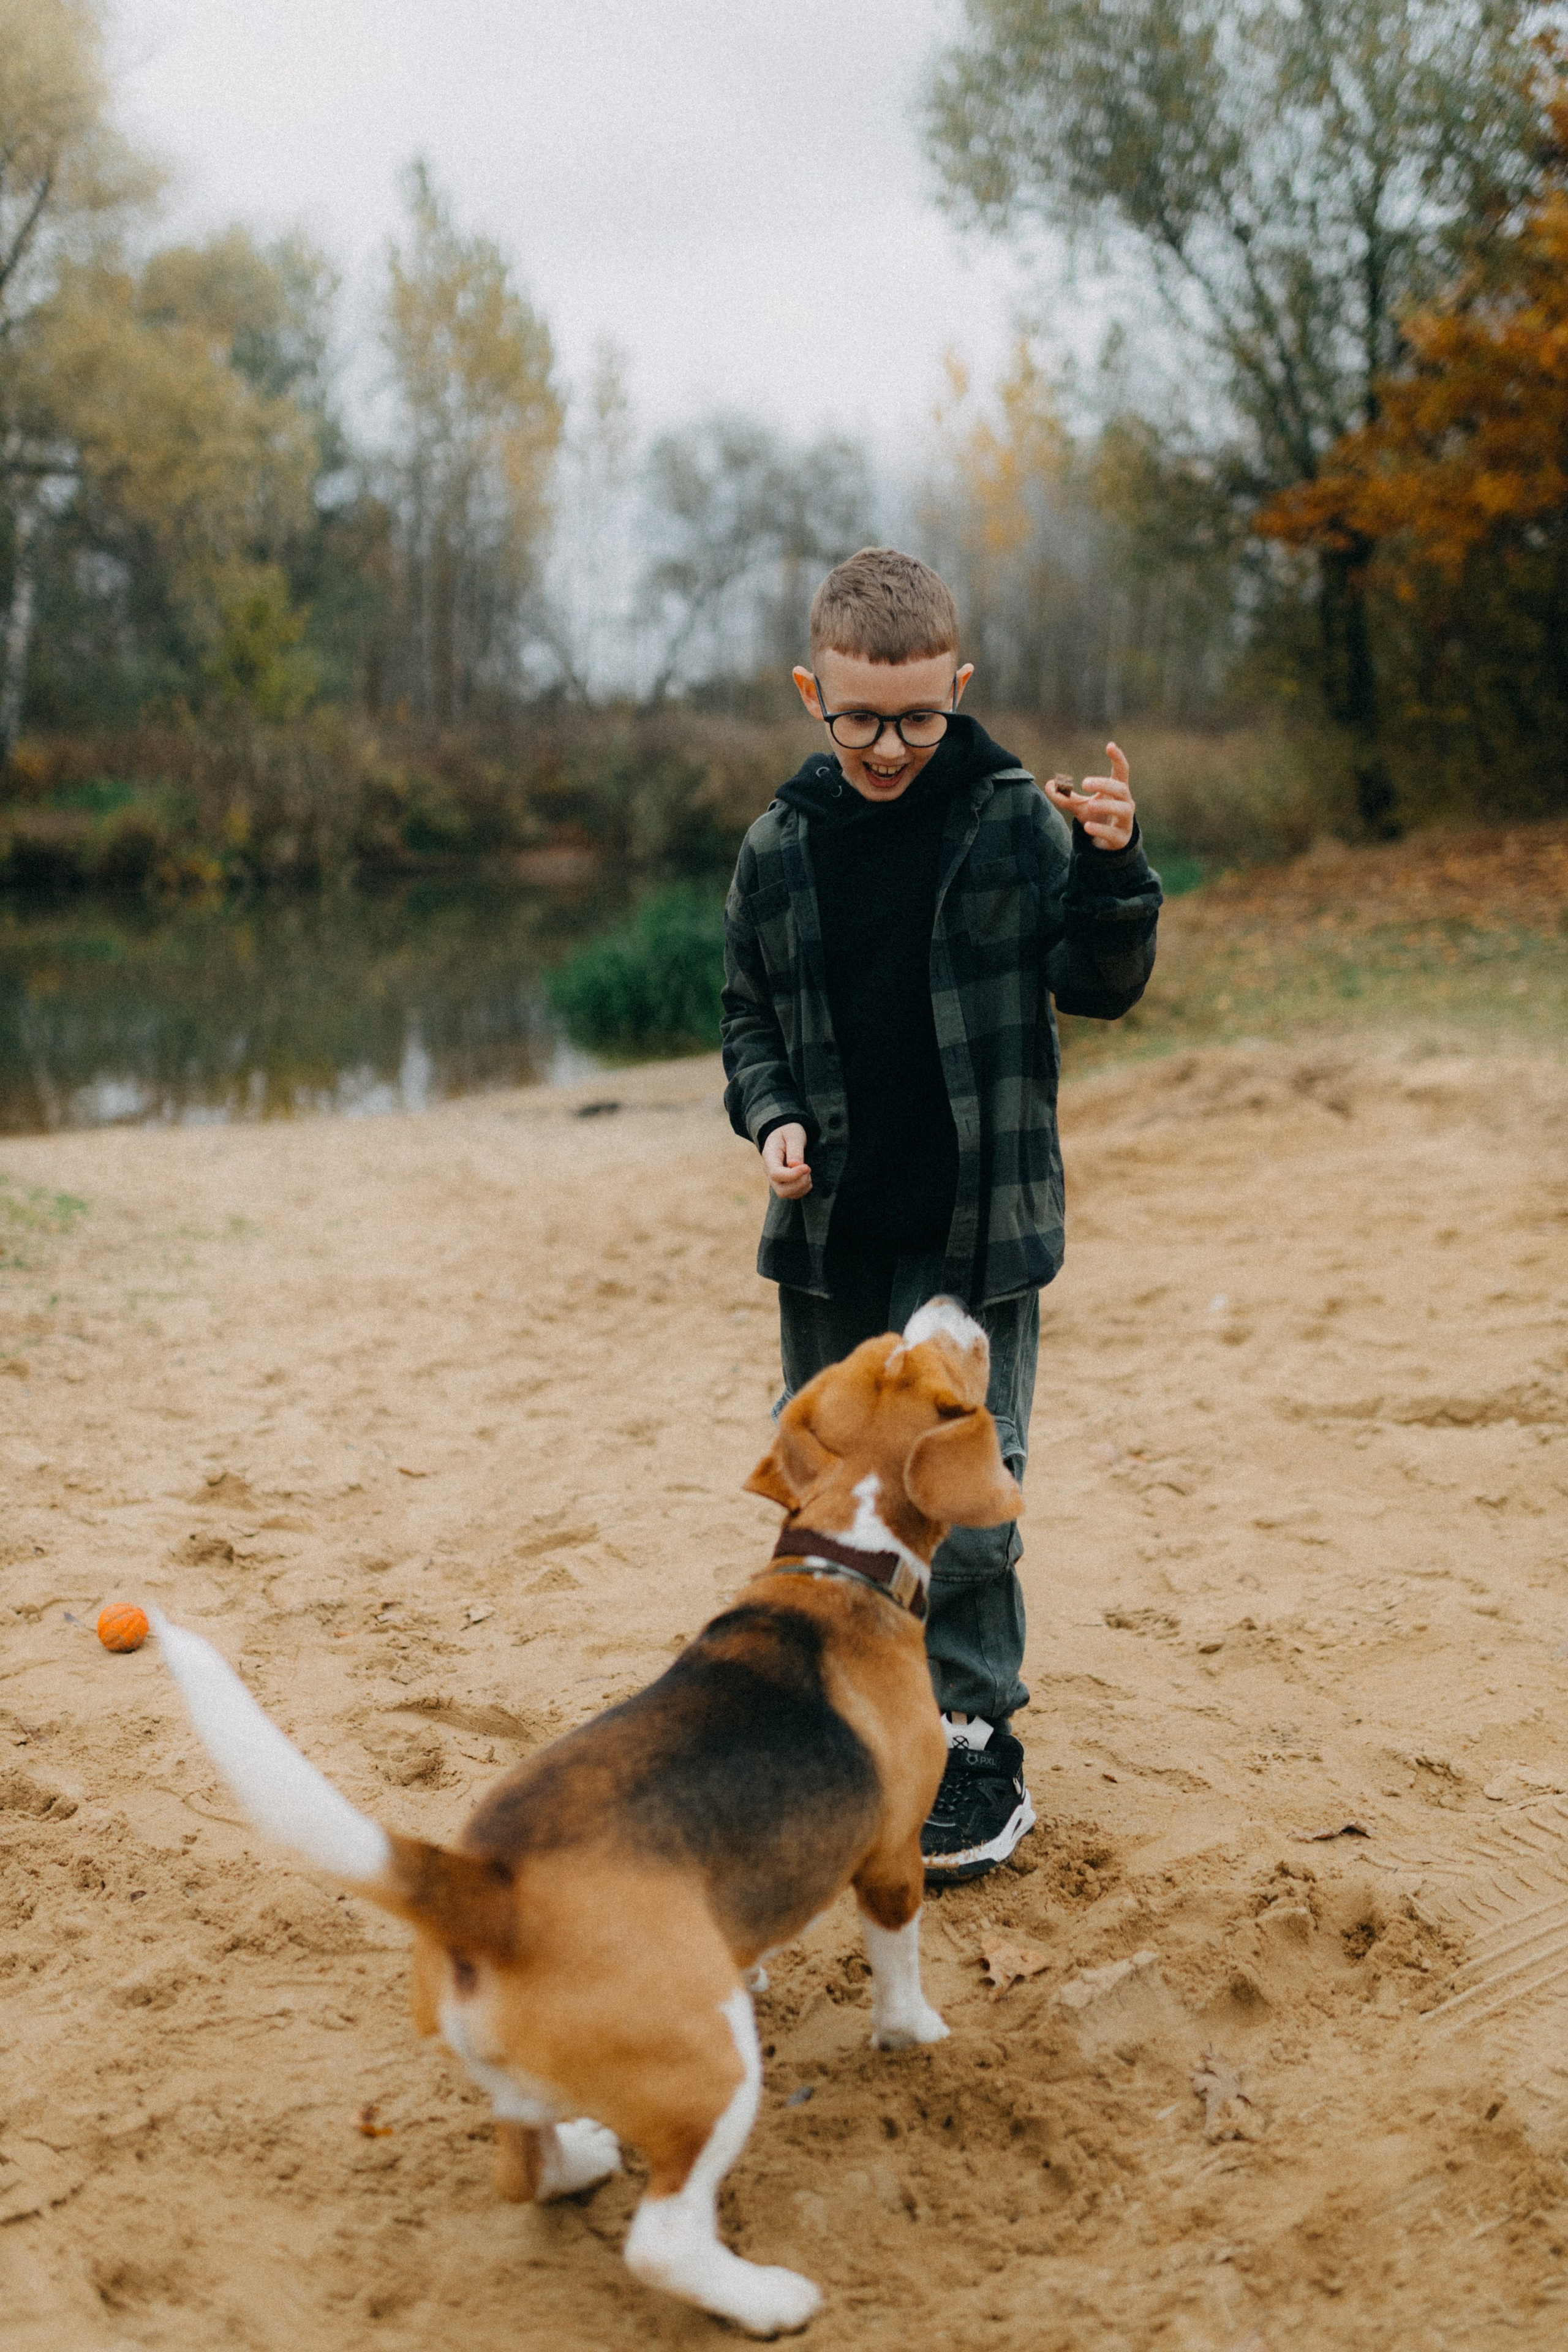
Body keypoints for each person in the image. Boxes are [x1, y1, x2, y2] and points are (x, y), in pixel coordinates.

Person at [721, 546, 1161, 1882]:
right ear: (812, 693)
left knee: (962, 1488)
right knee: (831, 1483)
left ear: (957, 689)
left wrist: (1113, 868)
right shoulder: (778, 846)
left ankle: (972, 1737)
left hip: (978, 1231)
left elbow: (1098, 983)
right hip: (831, 1237)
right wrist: (771, 1115)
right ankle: (843, 1709)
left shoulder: (1013, 819)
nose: (888, 748)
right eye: (858, 719)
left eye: (917, 719)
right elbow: (747, 1019)